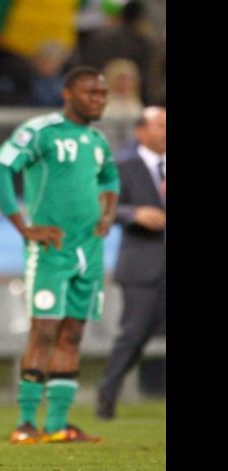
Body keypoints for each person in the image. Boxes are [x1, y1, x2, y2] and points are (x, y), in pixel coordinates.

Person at [0, 66, 120, 444]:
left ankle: (58, 424)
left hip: (88, 252)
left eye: (103, 94)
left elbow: (109, 177)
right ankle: (26, 422)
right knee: (43, 330)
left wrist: (108, 213)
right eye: (91, 93)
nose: (99, 100)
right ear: (68, 94)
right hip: (50, 251)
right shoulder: (40, 131)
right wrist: (23, 226)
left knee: (73, 333)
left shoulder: (97, 141)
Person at [96, 106, 166, 420]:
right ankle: (107, 393)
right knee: (135, 335)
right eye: (161, 126)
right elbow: (103, 206)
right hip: (144, 264)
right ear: (141, 131)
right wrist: (133, 214)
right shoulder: (123, 166)